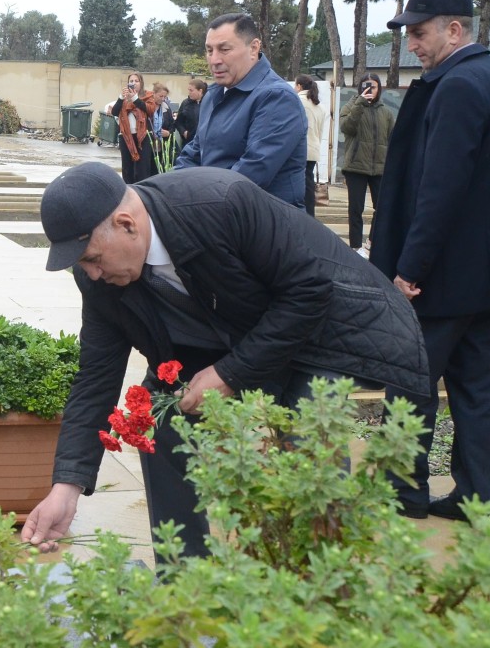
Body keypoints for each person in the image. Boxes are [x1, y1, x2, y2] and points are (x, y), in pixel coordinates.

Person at [22, 162, 430, 561]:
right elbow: (96, 377)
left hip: (316, 332)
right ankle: (186, 582)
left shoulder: (219, 202)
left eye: (92, 258)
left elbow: (308, 291)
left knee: (309, 436)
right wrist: (66, 487)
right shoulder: (100, 279)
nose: (91, 273)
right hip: (228, 336)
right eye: (82, 265)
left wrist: (230, 373)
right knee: (162, 422)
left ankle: (320, 580)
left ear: (127, 224)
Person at [369, 0, 490, 523]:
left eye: (420, 33)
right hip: (487, 279)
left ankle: (401, 491)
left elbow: (440, 188)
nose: (412, 45)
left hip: (443, 278)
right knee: (476, 392)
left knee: (410, 383)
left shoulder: (457, 87)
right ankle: (477, 499)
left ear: (455, 29)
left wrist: (409, 269)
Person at [174, 13, 307, 207]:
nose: (214, 60)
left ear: (253, 48)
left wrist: (194, 201)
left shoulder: (277, 98)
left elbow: (249, 175)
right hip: (216, 218)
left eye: (224, 49)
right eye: (209, 50)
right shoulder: (212, 95)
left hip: (263, 227)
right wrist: (171, 192)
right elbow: (193, 154)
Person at [338, 73, 392, 252]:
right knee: (356, 209)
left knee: (382, 208)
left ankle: (371, 242)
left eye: (374, 86)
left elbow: (392, 139)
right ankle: (355, 247)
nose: (369, 90)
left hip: (379, 168)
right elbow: (347, 127)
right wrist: (360, 103)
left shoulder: (386, 112)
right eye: (365, 86)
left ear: (379, 89)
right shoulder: (350, 106)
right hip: (355, 167)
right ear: (360, 87)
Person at [108, 72, 158, 183]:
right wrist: (121, 97)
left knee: (142, 169)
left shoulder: (148, 95)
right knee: (127, 169)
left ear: (141, 83)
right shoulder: (124, 98)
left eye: (136, 81)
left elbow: (150, 110)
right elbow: (115, 112)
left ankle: (142, 193)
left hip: (143, 136)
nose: (133, 83)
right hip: (126, 136)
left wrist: (135, 98)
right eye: (131, 81)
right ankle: (128, 192)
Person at [295, 75, 329, 217]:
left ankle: (300, 215)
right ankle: (310, 215)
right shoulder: (320, 106)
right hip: (313, 149)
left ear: (299, 86)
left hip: (298, 149)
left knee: (296, 183)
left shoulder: (297, 101)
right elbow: (320, 131)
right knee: (309, 184)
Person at [174, 79, 207, 145]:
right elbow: (178, 122)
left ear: (200, 91)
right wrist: (184, 132)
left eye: (191, 90)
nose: (189, 92)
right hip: (189, 142)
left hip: (205, 143)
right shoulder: (185, 103)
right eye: (188, 90)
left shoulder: (209, 103)